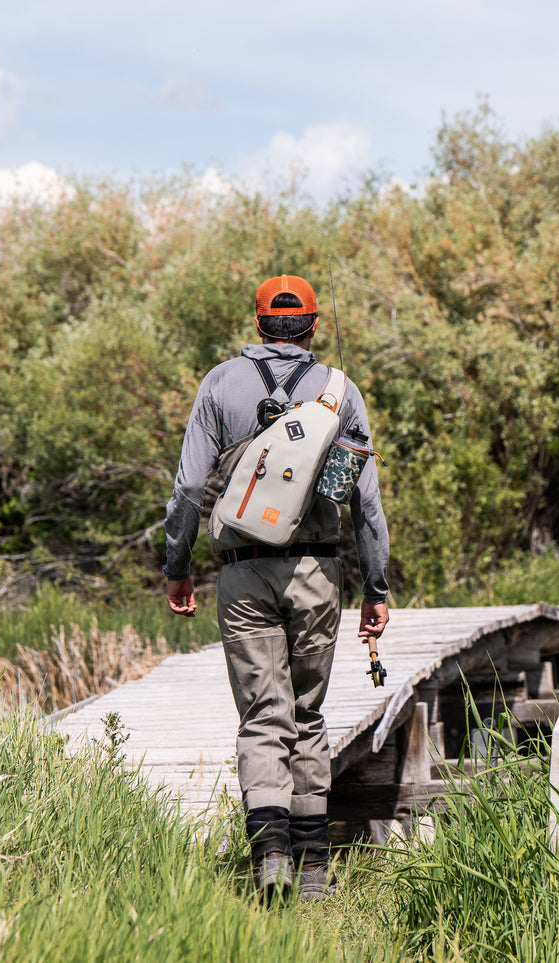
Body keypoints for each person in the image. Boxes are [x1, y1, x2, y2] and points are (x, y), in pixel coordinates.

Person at [162, 274, 390, 900]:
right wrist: (377, 588)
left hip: (240, 571)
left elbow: (186, 489)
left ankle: (270, 858)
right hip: (317, 572)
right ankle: (314, 870)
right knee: (307, 715)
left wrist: (175, 563)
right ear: (312, 325)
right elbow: (362, 502)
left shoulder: (220, 384)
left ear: (258, 323)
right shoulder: (339, 392)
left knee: (264, 715)